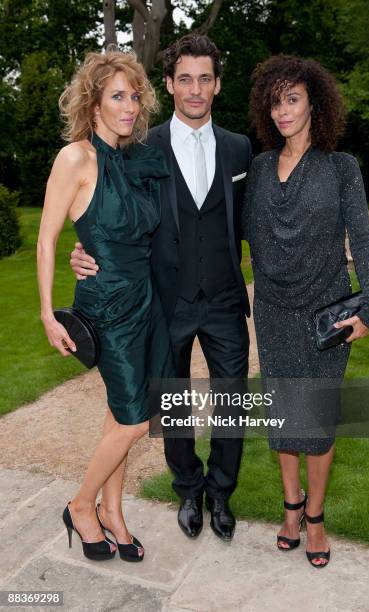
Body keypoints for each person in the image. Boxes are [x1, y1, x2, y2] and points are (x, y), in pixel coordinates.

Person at [70, 34, 252, 541]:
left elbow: (251, 222)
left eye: (206, 79)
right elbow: (111, 216)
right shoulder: (140, 147)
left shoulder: (240, 147)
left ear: (217, 85)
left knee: (232, 403)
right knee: (170, 403)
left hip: (222, 300)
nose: (196, 89)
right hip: (163, 301)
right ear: (170, 84)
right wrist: (85, 251)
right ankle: (188, 489)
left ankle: (220, 493)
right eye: (185, 79)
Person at [243, 55, 369, 568]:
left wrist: (368, 305)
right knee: (284, 419)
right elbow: (223, 231)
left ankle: (316, 519)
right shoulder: (258, 168)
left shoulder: (341, 167)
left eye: (293, 99)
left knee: (318, 422)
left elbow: (362, 239)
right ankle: (291, 509)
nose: (283, 111)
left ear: (314, 104)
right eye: (275, 101)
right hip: (274, 312)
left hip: (327, 313)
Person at [37, 50, 174, 562]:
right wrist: (48, 313)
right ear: (93, 103)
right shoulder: (75, 158)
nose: (130, 106)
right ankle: (80, 504)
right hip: (107, 306)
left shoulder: (134, 161)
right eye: (118, 96)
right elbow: (48, 239)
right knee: (135, 420)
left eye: (135, 96)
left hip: (146, 301)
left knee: (126, 412)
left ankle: (114, 512)